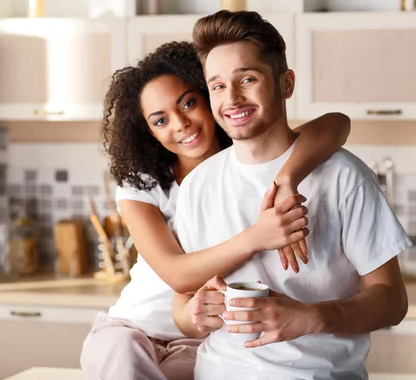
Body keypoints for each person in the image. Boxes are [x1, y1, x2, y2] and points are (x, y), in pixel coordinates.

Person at [80, 41, 351, 380]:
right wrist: (256, 238)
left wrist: (286, 179)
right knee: (126, 361)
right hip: (130, 330)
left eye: (189, 103)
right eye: (160, 120)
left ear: (210, 96)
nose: (180, 124)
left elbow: (336, 123)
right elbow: (176, 274)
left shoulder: (250, 165)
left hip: (198, 341)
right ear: (148, 132)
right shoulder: (143, 186)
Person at [172, 11, 412, 379]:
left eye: (247, 79)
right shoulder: (197, 186)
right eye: (217, 86)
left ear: (286, 83)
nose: (232, 99)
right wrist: (193, 315)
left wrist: (314, 317)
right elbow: (182, 305)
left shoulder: (343, 177)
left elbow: (392, 300)